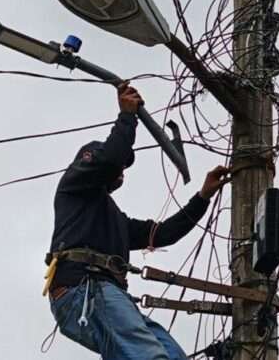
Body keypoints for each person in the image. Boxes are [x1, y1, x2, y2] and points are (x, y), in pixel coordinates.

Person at [44, 82, 229, 360]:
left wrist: (203, 196)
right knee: (151, 356)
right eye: (120, 166)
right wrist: (127, 116)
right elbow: (109, 158)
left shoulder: (114, 220)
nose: (122, 169)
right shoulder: (74, 187)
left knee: (171, 355)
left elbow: (164, 233)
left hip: (106, 293)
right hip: (83, 289)